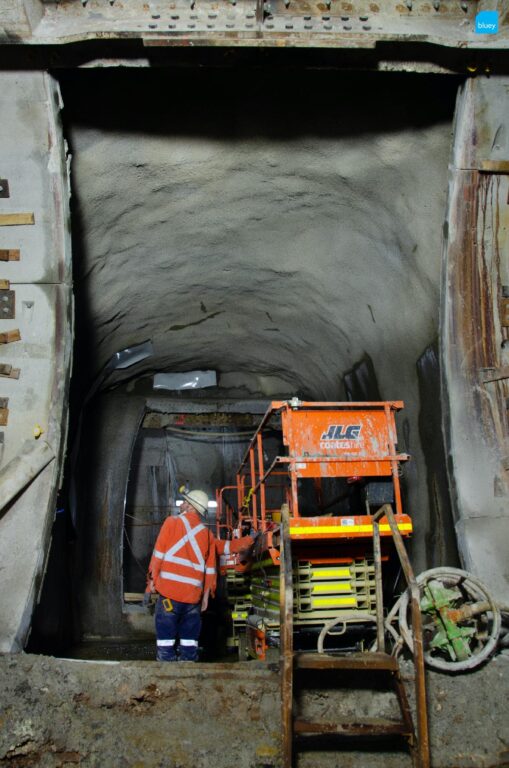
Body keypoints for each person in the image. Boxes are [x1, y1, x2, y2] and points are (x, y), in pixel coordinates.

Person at [147, 488, 253, 662]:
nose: (182, 503)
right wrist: (206, 596)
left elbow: (158, 556)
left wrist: (150, 582)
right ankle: (189, 673)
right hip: (193, 598)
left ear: (190, 506)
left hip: (169, 594)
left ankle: (166, 674)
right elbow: (212, 567)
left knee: (166, 640)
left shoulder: (171, 522)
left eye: (185, 501)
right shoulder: (206, 534)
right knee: (190, 642)